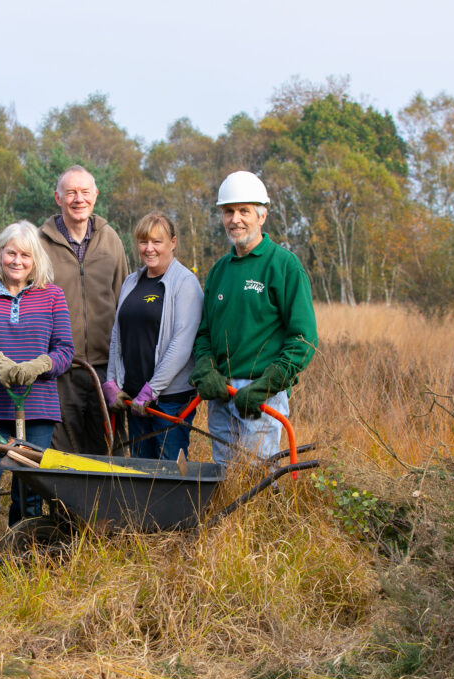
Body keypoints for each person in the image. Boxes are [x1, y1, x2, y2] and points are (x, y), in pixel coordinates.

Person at [189, 171, 317, 468]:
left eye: (244, 211)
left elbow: (304, 338)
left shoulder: (284, 265)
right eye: (228, 211)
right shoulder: (219, 270)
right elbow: (205, 333)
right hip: (220, 393)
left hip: (261, 395)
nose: (236, 219)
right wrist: (206, 370)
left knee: (257, 479)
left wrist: (267, 385)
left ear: (262, 215)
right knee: (223, 477)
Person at [0, 221, 74, 536]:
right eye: (11, 253)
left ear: (35, 259)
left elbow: (65, 351)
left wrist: (42, 363)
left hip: (37, 409)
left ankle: (22, 555)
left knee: (29, 492)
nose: (17, 261)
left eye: (25, 254)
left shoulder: (52, 296)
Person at [39, 165, 128, 456]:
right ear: (58, 198)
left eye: (85, 192)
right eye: (71, 193)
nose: (79, 199)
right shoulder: (40, 243)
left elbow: (122, 297)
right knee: (64, 450)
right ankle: (67, 503)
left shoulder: (110, 239)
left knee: (108, 448)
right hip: (60, 369)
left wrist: (121, 364)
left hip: (106, 369)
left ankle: (109, 503)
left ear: (95, 195)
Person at [102, 212, 203, 460]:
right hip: (135, 399)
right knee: (141, 468)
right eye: (143, 242)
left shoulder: (185, 283)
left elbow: (182, 343)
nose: (149, 249)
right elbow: (118, 335)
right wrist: (112, 382)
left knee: (170, 469)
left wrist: (153, 390)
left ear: (173, 242)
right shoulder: (131, 282)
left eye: (157, 242)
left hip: (168, 401)